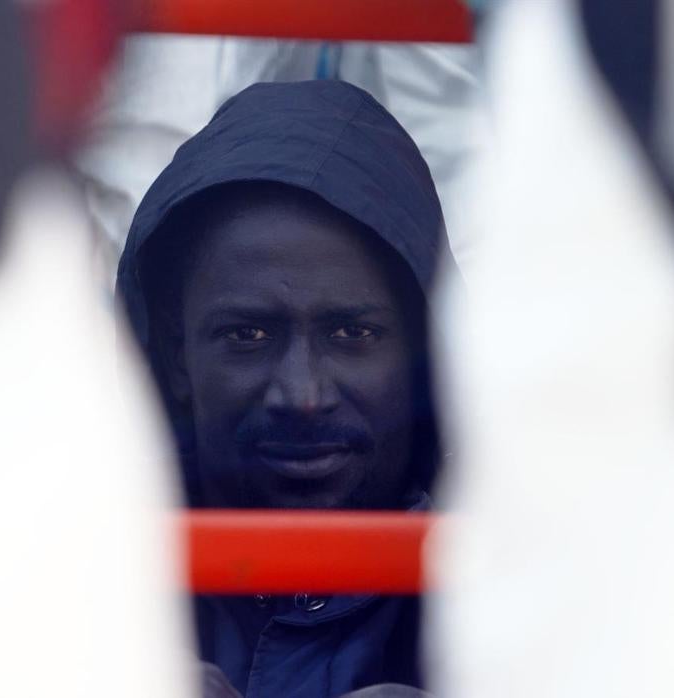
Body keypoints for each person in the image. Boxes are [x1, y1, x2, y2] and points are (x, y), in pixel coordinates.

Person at [117, 80, 450, 697]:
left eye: (352, 332)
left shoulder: (528, 567)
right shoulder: (77, 555)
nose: (302, 394)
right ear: (177, 356)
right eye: (247, 334)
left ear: (423, 351)